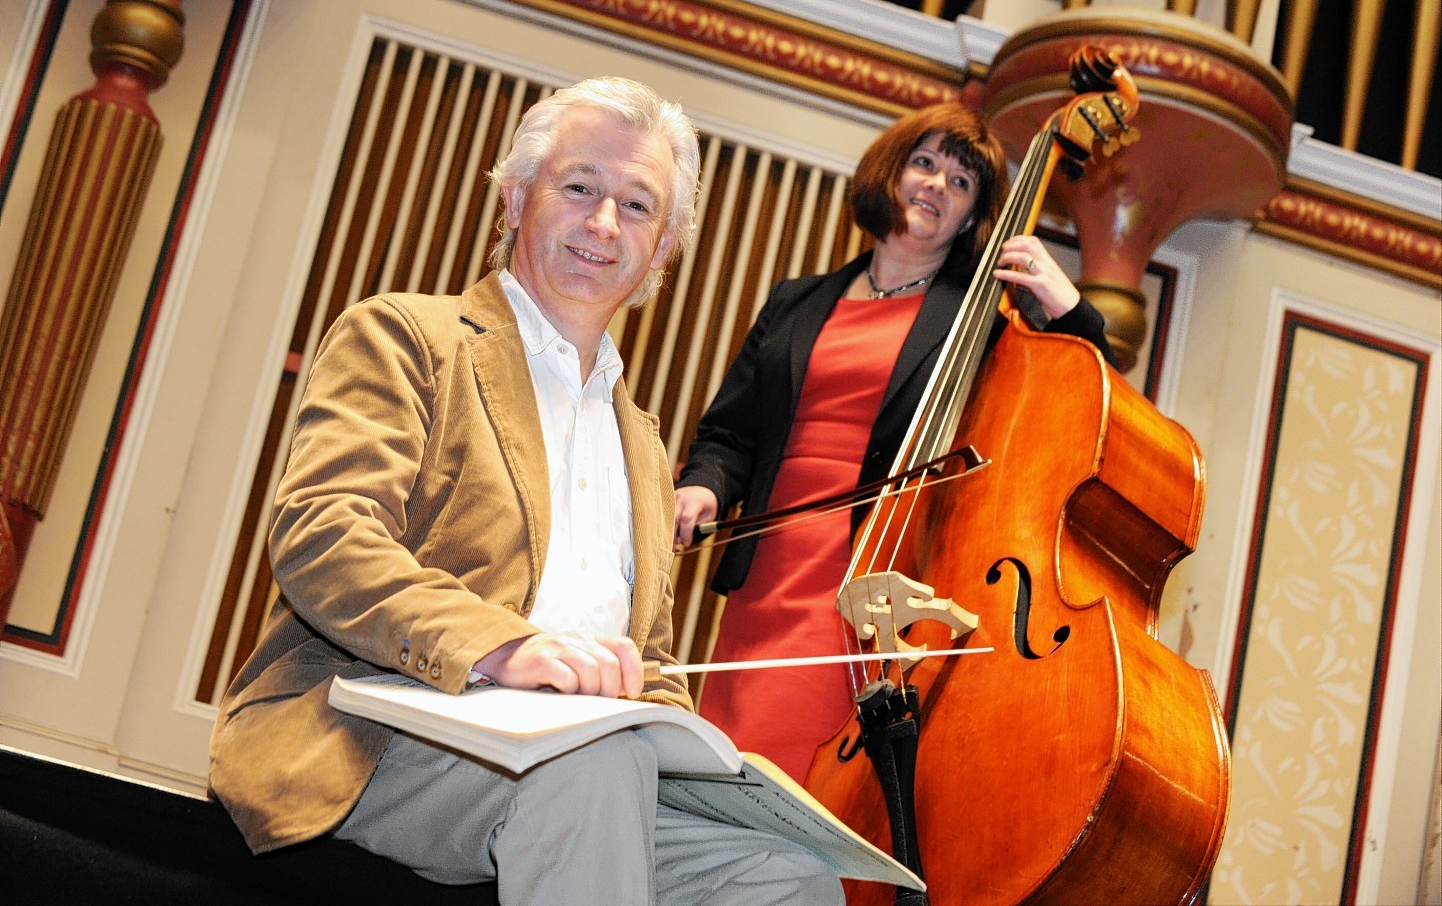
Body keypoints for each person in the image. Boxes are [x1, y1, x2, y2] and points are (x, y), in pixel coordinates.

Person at [209, 76, 844, 906]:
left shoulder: (648, 451)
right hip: (380, 731)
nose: (604, 223)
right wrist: (504, 647)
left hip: (581, 759)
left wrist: (685, 742)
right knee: (596, 765)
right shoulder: (407, 336)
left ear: (664, 252)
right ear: (514, 201)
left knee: (789, 873)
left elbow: (650, 664)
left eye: (638, 206)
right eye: (579, 187)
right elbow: (325, 537)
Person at [671, 102, 1120, 782]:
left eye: (962, 182)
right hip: (765, 577)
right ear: (892, 171)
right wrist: (702, 485)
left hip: (871, 585)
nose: (938, 185)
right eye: (926, 163)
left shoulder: (982, 318)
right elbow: (730, 433)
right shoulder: (796, 301)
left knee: (797, 793)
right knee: (718, 778)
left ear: (973, 217)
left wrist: (1069, 305)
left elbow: (1091, 390)